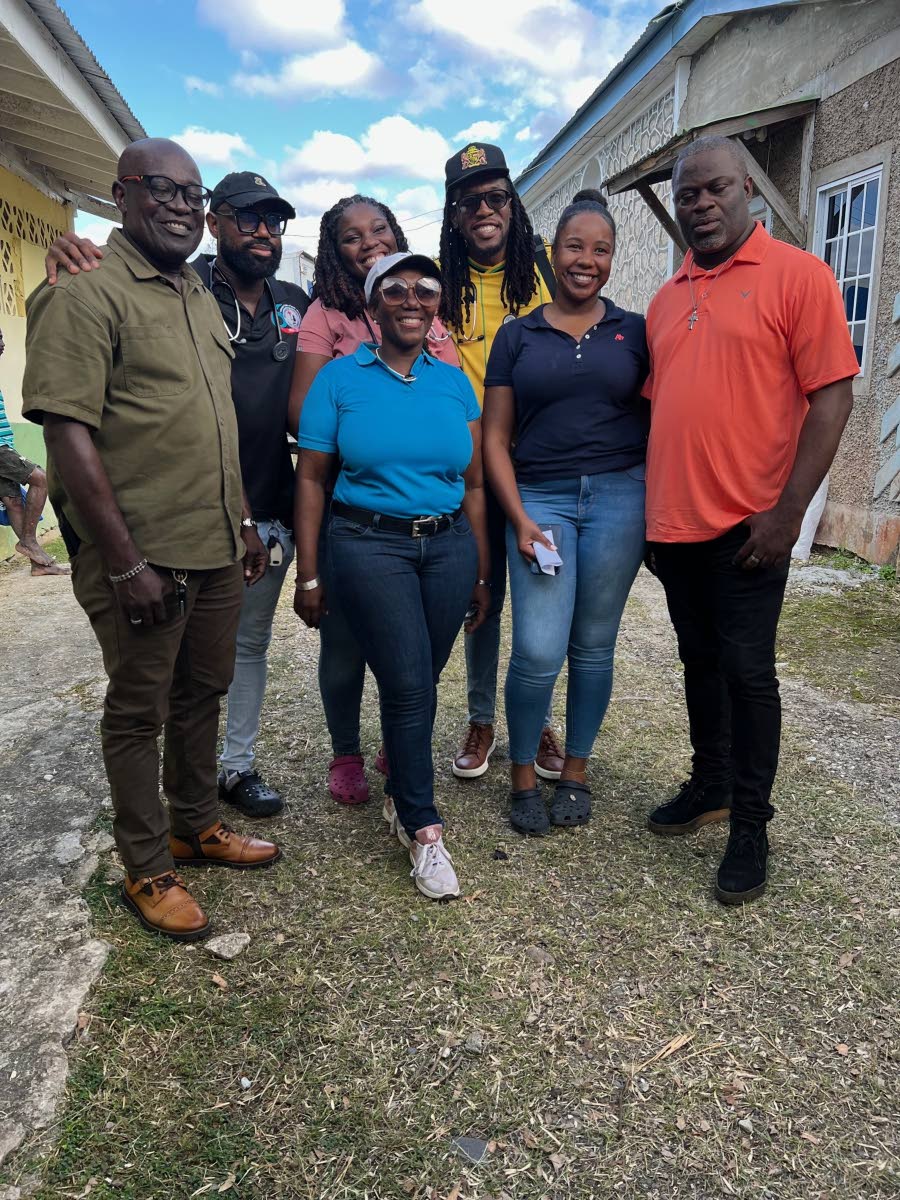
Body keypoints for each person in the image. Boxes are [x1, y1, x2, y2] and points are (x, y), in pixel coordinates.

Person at [23, 138, 280, 943]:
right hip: (142, 554)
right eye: (158, 188)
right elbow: (67, 433)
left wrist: (240, 520)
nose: (177, 203)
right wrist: (123, 561)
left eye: (190, 193)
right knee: (139, 712)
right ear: (121, 195)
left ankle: (195, 824)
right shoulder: (84, 288)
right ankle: (147, 866)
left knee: (202, 691)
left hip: (213, 544)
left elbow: (216, 420)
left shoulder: (198, 294)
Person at [44, 173, 310, 820]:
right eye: (247, 219)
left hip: (261, 509)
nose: (262, 233)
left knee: (232, 658)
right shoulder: (178, 284)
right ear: (216, 224)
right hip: (171, 521)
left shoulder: (293, 301)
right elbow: (69, 415)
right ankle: (156, 829)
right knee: (154, 684)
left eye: (273, 222)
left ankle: (232, 772)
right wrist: (72, 251)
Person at [642, 135, 857, 904]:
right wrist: (650, 521)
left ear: (747, 193)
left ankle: (751, 825)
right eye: (687, 194)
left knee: (747, 672)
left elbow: (833, 395)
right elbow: (660, 412)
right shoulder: (667, 298)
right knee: (698, 663)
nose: (700, 204)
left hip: (750, 528)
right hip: (674, 527)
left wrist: (788, 514)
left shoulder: (800, 277)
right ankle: (711, 785)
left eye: (715, 189)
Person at [294, 252, 490, 900]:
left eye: (425, 288)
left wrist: (483, 569)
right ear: (373, 304)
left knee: (424, 678)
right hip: (368, 543)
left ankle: (399, 785)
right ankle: (421, 824)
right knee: (407, 683)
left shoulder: (454, 382)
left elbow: (474, 482)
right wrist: (310, 574)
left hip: (449, 546)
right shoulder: (339, 381)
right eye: (397, 288)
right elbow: (314, 478)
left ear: (436, 304)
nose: (412, 298)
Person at [483, 197, 648, 834]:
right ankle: (523, 771)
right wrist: (519, 517)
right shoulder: (518, 334)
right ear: (554, 252)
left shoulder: (635, 331)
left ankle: (575, 771)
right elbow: (495, 438)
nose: (587, 261)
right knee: (536, 648)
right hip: (541, 501)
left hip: (618, 500)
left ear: (611, 258)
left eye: (600, 249)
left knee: (594, 646)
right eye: (575, 247)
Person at [288, 195, 458, 807]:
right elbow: (301, 410)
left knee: (416, 643)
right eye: (352, 237)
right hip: (349, 505)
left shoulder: (426, 314)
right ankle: (345, 752)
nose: (370, 244)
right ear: (336, 251)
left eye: (379, 230)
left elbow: (450, 400)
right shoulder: (326, 315)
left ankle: (399, 737)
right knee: (346, 643)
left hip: (425, 510)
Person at [438, 142, 562, 782]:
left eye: (496, 197)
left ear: (512, 206)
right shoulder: (436, 285)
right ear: (454, 214)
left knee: (540, 602)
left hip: (535, 467)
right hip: (468, 475)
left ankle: (536, 719)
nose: (485, 209)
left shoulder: (542, 276)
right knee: (479, 598)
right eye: (470, 201)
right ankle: (482, 718)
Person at [0, 325, 68, 575]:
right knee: (40, 478)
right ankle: (28, 541)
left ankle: (37, 565)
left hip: (4, 445)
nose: (3, 343)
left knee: (14, 502)